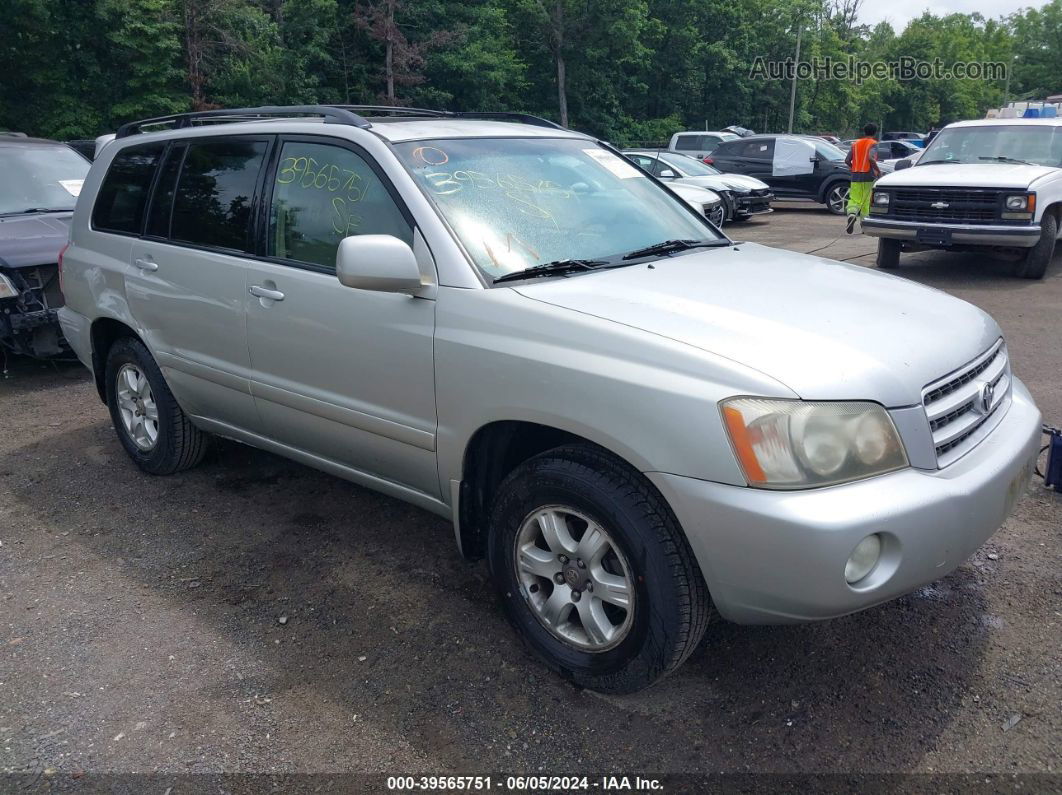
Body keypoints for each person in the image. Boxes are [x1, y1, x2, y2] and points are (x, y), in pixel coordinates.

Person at [844, 123, 881, 234]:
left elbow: (847, 160)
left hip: (855, 175)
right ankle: (864, 225)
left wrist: (854, 167)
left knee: (854, 199)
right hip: (868, 175)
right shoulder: (873, 143)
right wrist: (878, 171)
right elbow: (871, 158)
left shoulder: (855, 144)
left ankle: (851, 215)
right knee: (866, 200)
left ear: (864, 131)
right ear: (875, 132)